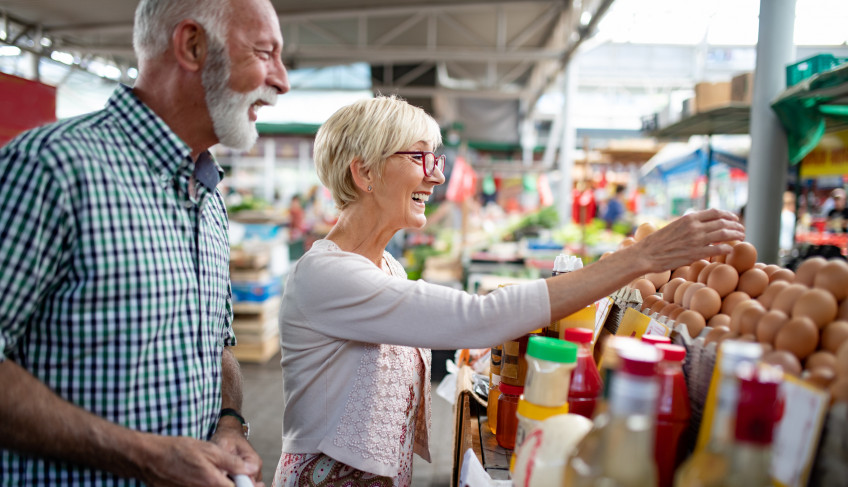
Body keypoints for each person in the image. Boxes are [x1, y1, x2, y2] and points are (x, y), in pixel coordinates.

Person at [272, 96, 745, 486]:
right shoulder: (326, 277)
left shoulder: (387, 266)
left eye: (435, 160)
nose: (436, 176)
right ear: (365, 173)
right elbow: (475, 317)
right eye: (420, 158)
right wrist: (641, 258)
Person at [0, 0, 288, 485]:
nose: (280, 80)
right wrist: (142, 455)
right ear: (192, 45)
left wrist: (229, 423)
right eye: (264, 53)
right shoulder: (50, 169)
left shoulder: (207, 197)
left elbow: (214, 346)